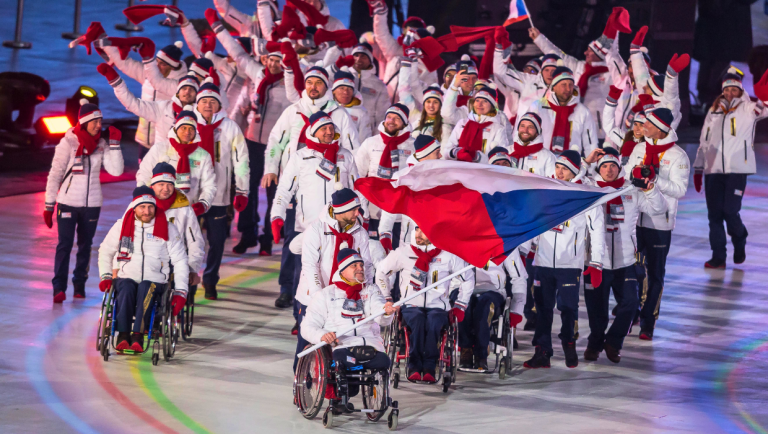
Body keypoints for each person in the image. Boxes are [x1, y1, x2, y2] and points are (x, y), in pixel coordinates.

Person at [210, 18, 292, 255]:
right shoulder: (256, 77)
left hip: (276, 149)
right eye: (271, 59)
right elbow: (237, 54)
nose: (275, 64)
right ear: (265, 59)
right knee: (246, 189)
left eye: (279, 60)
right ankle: (248, 235)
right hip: (252, 144)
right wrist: (218, 27)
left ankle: (268, 238)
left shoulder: (290, 85)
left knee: (274, 194)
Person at [271, 111, 363, 312]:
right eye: (324, 129)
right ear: (313, 132)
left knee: (336, 274)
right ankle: (301, 316)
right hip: (308, 227)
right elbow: (285, 189)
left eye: (331, 128)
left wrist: (361, 216)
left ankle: (335, 317)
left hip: (341, 227)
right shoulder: (300, 157)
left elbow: (358, 189)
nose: (329, 132)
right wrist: (276, 216)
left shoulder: (345, 156)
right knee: (305, 275)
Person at [583, 147, 666, 363]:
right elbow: (566, 180)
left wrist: (650, 189)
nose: (609, 170)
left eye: (613, 166)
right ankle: (594, 343)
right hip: (597, 261)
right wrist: (585, 162)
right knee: (596, 310)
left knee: (630, 304)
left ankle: (613, 341)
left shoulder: (631, 189)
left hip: (626, 260)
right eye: (604, 166)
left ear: (619, 168)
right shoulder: (589, 188)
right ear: (598, 169)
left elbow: (658, 209)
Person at [524, 150, 604, 369]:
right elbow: (531, 221)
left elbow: (597, 231)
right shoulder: (544, 191)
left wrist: (596, 263)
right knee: (542, 308)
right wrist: (526, 251)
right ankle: (542, 352)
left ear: (575, 171)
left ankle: (569, 342)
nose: (559, 172)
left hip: (569, 263)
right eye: (557, 167)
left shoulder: (585, 194)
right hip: (543, 261)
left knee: (568, 308)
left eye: (565, 169)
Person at [44, 101, 124, 302]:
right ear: (85, 122)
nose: (99, 125)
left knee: (85, 246)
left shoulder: (102, 145)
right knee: (65, 244)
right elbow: (55, 174)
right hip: (68, 202)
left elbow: (116, 171)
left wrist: (115, 145)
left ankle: (79, 283)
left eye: (100, 121)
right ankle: (58, 288)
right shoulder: (68, 143)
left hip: (92, 204)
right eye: (95, 121)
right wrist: (49, 204)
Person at [623, 108, 690, 340]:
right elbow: (626, 174)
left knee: (655, 274)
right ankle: (631, 312)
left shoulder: (678, 155)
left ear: (660, 129)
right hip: (634, 218)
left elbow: (680, 190)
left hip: (660, 223)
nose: (642, 127)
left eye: (648, 124)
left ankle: (648, 321)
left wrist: (655, 179)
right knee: (633, 270)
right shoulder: (639, 148)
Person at [375, 227, 475, 383]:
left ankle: (429, 366)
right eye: (416, 230)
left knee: (434, 321)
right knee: (418, 320)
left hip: (438, 307)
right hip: (411, 305)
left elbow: (468, 278)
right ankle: (414, 365)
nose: (418, 235)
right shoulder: (404, 252)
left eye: (423, 231)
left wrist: (460, 305)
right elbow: (381, 271)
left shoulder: (448, 255)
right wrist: (387, 297)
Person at [97, 186, 189, 352]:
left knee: (146, 287)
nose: (147, 211)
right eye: (142, 207)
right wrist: (106, 275)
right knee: (125, 286)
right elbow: (105, 250)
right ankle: (123, 335)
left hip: (155, 280)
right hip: (127, 276)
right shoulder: (121, 226)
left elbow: (180, 260)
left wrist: (181, 291)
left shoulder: (167, 228)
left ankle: (138, 335)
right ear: (134, 207)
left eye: (150, 207)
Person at [694, 69, 768, 268]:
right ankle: (718, 257)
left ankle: (740, 237)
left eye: (734, 89)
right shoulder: (713, 111)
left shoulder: (748, 108)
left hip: (737, 169)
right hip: (713, 170)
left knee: (730, 211)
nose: (729, 93)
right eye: (726, 89)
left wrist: (765, 97)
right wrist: (699, 168)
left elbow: (764, 109)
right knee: (714, 215)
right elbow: (704, 140)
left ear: (740, 89)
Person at [301, 247, 397, 399]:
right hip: (343, 348)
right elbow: (307, 326)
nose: (360, 269)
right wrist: (323, 335)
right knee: (344, 363)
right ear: (343, 270)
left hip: (369, 347)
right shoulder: (325, 295)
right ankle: (343, 393)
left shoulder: (371, 290)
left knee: (384, 361)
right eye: (354, 266)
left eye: (361, 266)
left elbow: (379, 311)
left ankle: (359, 379)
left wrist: (385, 310)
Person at [293, 188, 372, 370]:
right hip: (312, 297)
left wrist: (366, 293)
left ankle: (336, 392)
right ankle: (303, 386)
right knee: (307, 344)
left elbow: (366, 266)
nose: (357, 213)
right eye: (353, 209)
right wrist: (318, 297)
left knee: (340, 346)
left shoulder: (360, 233)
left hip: (344, 298)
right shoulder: (316, 229)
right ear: (341, 210)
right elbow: (310, 265)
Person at [528, 8, 631, 139]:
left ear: (599, 54)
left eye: (589, 51)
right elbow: (557, 55)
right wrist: (539, 38)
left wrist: (614, 32)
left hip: (599, 130)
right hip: (575, 124)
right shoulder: (579, 66)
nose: (585, 53)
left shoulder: (611, 74)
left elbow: (613, 54)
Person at [192, 81, 250, 300]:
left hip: (219, 196)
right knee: (191, 241)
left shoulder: (229, 127)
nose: (208, 106)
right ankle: (187, 280)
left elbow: (242, 161)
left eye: (212, 102)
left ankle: (210, 279)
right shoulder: (187, 125)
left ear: (219, 105)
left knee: (217, 241)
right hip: (192, 197)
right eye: (204, 101)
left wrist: (242, 191)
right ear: (197, 104)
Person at [98, 34, 188, 158]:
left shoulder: (181, 86)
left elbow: (158, 84)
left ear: (172, 67)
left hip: (167, 145)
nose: (156, 66)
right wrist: (105, 44)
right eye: (156, 61)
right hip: (145, 142)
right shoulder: (149, 75)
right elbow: (125, 64)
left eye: (162, 64)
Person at [355, 103, 416, 262]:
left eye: (397, 118)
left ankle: (396, 288)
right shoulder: (370, 143)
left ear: (404, 122)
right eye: (389, 117)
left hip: (399, 215)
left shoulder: (413, 145)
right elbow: (357, 176)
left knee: (397, 258)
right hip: (373, 212)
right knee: (373, 258)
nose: (391, 121)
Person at [98, 62, 200, 148]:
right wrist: (116, 83)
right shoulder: (162, 108)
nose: (187, 92)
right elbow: (133, 104)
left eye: (191, 89)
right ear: (178, 92)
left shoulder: (201, 115)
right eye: (184, 89)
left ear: (196, 93)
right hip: (161, 163)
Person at [136, 107, 217, 215]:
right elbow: (144, 173)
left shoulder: (203, 155)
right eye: (183, 128)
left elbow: (209, 185)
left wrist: (203, 203)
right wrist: (145, 197)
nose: (187, 132)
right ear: (176, 128)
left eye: (191, 128)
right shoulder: (160, 148)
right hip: (159, 208)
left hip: (188, 210)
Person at [459, 249, 527, 371]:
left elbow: (519, 276)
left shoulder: (504, 239)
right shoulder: (458, 235)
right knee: (463, 306)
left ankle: (481, 355)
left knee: (484, 306)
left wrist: (517, 309)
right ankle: (465, 351)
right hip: (461, 289)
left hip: (492, 291)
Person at [149, 163, 205, 308]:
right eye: (161, 184)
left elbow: (195, 241)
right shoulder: (142, 205)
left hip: (175, 260)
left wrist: (193, 268)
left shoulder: (183, 206)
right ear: (153, 185)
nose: (166, 189)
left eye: (169, 184)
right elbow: (126, 234)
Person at [378, 134, 442, 257]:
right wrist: (385, 237)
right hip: (409, 244)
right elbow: (389, 210)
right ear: (426, 154)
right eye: (437, 152)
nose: (441, 156)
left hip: (437, 244)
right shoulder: (402, 177)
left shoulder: (441, 177)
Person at [367, 0, 438, 98]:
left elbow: (432, 84)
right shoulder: (395, 49)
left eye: (416, 31)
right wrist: (380, 12)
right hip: (390, 104)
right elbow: (381, 33)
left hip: (414, 107)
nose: (413, 33)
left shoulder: (428, 58)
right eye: (409, 30)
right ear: (404, 31)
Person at [528, 64, 598, 156]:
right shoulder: (538, 106)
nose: (568, 89)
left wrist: (591, 168)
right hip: (542, 163)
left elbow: (590, 143)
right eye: (563, 85)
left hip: (571, 164)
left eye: (571, 85)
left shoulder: (582, 111)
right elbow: (527, 136)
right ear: (554, 86)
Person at [493, 30, 561, 124]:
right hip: (520, 136)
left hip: (547, 136)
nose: (549, 74)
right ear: (541, 71)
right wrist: (499, 49)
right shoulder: (528, 81)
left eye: (553, 71)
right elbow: (500, 73)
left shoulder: (564, 89)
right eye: (546, 70)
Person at [325, 42, 388, 126]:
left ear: (370, 60)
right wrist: (336, 64)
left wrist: (376, 137)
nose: (358, 59)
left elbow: (382, 115)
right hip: (339, 126)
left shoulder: (379, 85)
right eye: (356, 55)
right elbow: (323, 78)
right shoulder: (341, 76)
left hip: (366, 130)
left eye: (363, 56)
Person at [444, 86, 509, 163]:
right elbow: (447, 151)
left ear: (492, 105)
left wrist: (476, 156)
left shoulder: (498, 129)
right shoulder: (462, 123)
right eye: (477, 100)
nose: (479, 104)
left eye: (485, 101)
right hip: (459, 170)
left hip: (483, 173)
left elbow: (500, 160)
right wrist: (457, 153)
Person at [396, 56, 452, 142]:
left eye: (435, 102)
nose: (431, 106)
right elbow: (404, 91)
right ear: (424, 103)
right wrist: (406, 66)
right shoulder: (416, 119)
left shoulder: (446, 125)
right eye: (428, 101)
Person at [331, 67, 375, 140]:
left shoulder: (361, 113)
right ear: (334, 91)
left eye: (349, 89)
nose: (345, 92)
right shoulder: (325, 108)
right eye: (342, 88)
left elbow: (364, 140)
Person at [508, 112, 556, 176]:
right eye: (522, 126)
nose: (525, 130)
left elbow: (552, 183)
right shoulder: (506, 151)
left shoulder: (548, 157)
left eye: (530, 127)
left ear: (538, 132)